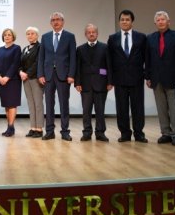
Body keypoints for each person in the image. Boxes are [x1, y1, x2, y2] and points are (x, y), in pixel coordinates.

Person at [145, 11, 175, 146]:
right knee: (161, 108)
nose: (161, 22)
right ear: (155, 23)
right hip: (156, 78)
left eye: (163, 19)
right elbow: (148, 59)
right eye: (158, 20)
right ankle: (165, 133)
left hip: (173, 78)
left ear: (169, 22)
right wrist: (148, 76)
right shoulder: (150, 38)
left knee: (174, 108)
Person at [107, 10, 148, 143]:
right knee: (122, 108)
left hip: (137, 78)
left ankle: (139, 133)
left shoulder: (141, 37)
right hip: (119, 79)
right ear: (119, 22)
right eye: (122, 19)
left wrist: (147, 76)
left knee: (138, 107)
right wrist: (110, 79)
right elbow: (109, 61)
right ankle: (125, 133)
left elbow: (147, 58)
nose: (124, 22)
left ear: (132, 21)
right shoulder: (113, 38)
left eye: (127, 19)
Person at [38, 12, 77, 141]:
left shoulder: (70, 37)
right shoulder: (45, 37)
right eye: (53, 20)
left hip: (64, 75)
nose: (56, 22)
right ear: (51, 23)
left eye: (58, 20)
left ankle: (65, 131)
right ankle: (49, 131)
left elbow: (73, 57)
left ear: (63, 21)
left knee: (63, 104)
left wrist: (71, 74)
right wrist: (40, 74)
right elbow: (41, 57)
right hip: (48, 75)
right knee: (49, 104)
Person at [75, 24, 112, 142]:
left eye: (93, 32)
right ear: (86, 34)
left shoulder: (105, 47)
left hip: (101, 84)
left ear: (97, 34)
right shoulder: (80, 49)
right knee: (86, 110)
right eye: (89, 32)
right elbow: (78, 67)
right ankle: (87, 132)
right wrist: (77, 83)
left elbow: (108, 66)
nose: (91, 34)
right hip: (85, 85)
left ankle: (100, 132)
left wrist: (110, 81)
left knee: (100, 110)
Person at [0, 28, 22, 137]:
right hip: (1, 81)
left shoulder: (16, 48)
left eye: (9, 35)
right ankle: (10, 127)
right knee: (6, 105)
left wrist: (6, 77)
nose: (7, 36)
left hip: (12, 81)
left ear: (13, 37)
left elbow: (15, 64)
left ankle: (10, 127)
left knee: (12, 104)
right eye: (5, 35)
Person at [20, 27, 43, 138]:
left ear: (37, 35)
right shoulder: (25, 48)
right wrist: (20, 72)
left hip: (35, 78)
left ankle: (39, 129)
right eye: (28, 33)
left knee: (38, 104)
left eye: (32, 33)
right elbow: (20, 62)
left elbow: (37, 63)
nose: (30, 35)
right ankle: (32, 128)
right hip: (25, 79)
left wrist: (27, 73)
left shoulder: (40, 47)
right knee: (30, 104)